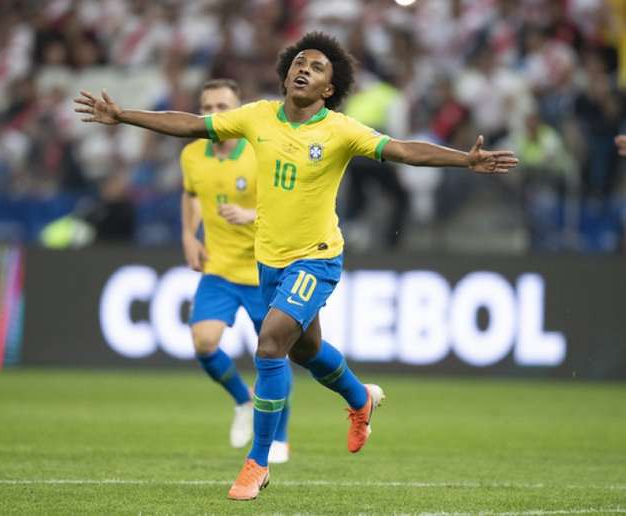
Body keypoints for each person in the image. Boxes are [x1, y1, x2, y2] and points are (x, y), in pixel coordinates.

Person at [74, 31, 518, 502]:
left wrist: (463, 160)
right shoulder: (257, 116)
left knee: (270, 347)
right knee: (306, 352)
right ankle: (360, 399)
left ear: (329, 88)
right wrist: (122, 115)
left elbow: (405, 150)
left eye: (317, 67)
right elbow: (189, 124)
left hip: (317, 258)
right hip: (269, 260)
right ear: (286, 73)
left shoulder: (340, 130)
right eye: (298, 63)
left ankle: (257, 462)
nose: (303, 69)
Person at [180, 78, 291, 461]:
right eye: (207, 107)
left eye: (222, 107)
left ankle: (279, 438)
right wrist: (189, 235)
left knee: (273, 356)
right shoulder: (193, 154)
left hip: (266, 269)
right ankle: (244, 400)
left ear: (239, 110)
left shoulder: (261, 152)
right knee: (204, 343)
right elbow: (191, 194)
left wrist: (250, 214)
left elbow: (290, 207)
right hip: (220, 268)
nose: (213, 115)